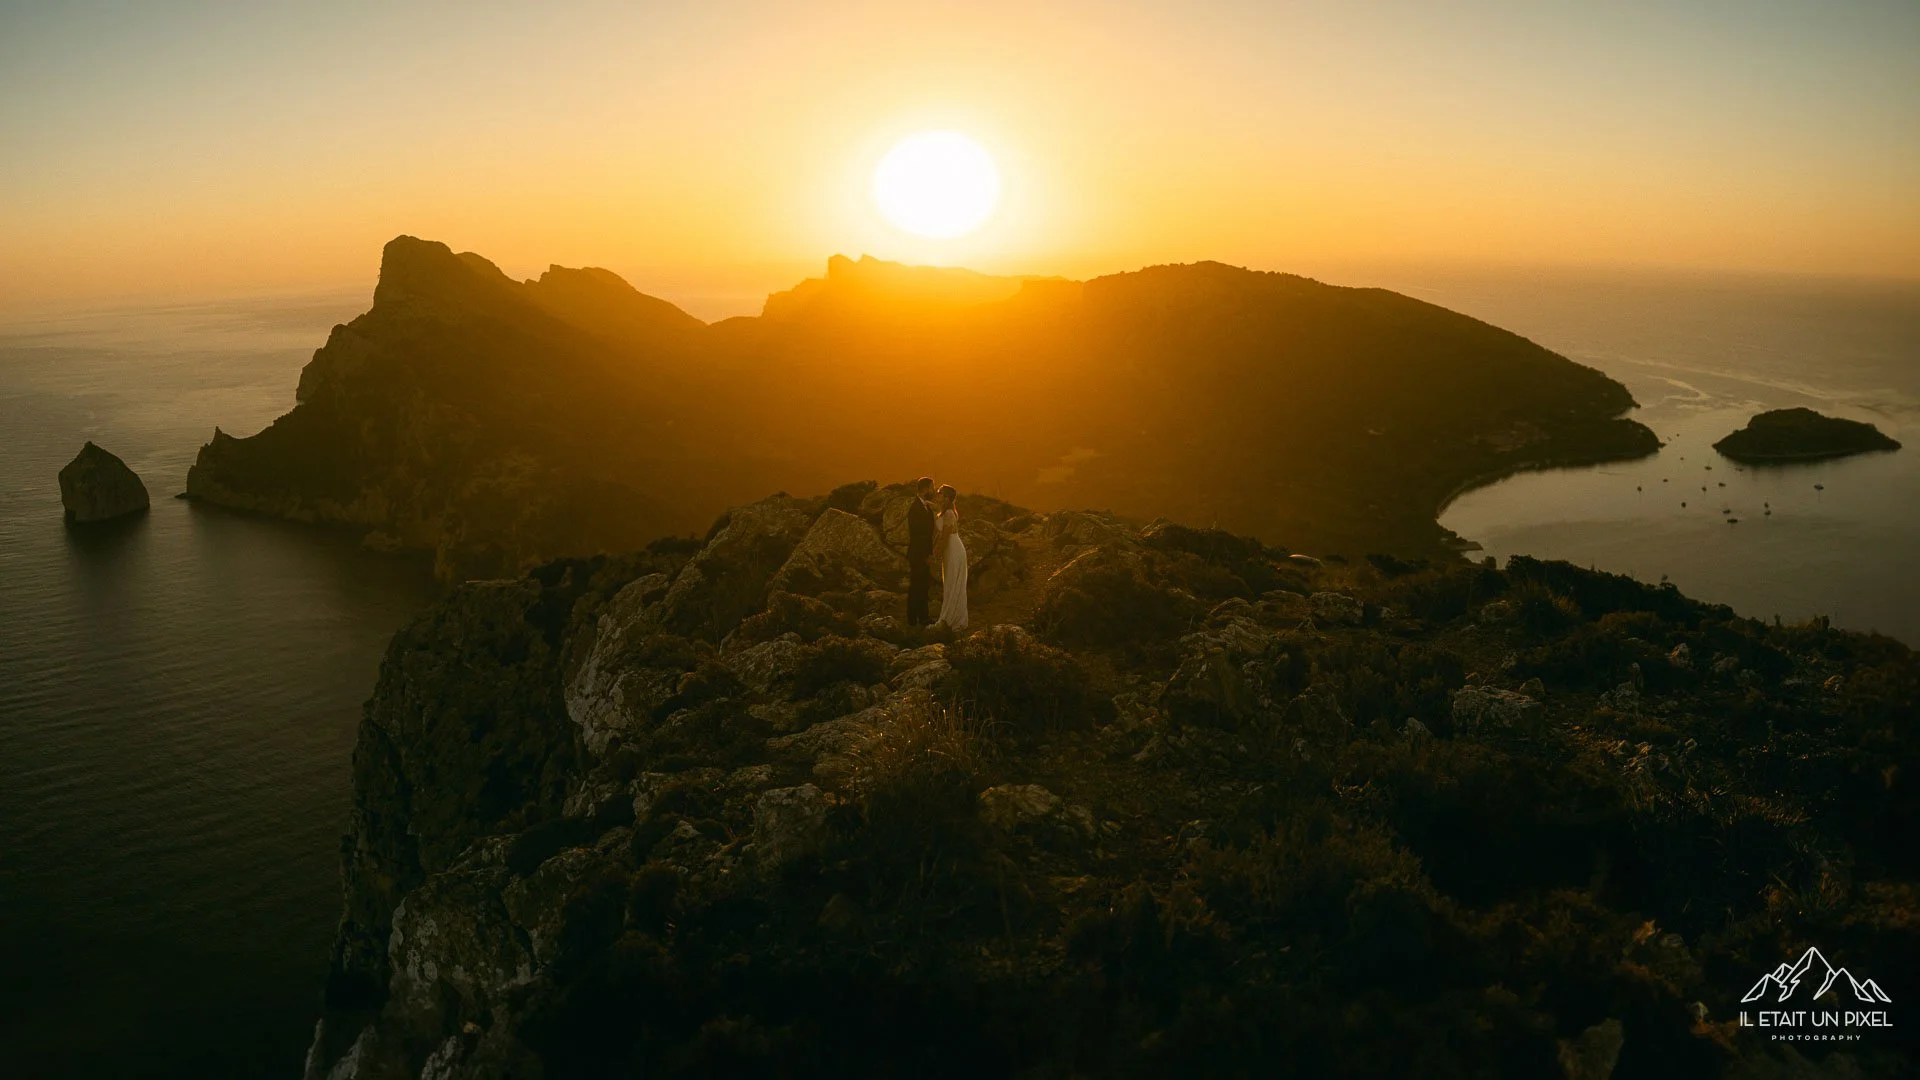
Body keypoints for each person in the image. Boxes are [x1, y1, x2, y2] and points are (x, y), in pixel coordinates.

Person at [931, 484, 968, 631]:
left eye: (940, 493)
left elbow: (945, 537)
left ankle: (950, 618)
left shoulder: (948, 514)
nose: (937, 494)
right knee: (951, 583)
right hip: (952, 548)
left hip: (953, 549)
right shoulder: (947, 511)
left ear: (946, 497)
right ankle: (952, 616)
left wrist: (935, 554)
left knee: (952, 583)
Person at [905, 476, 936, 626]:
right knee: (916, 586)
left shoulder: (927, 507)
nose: (933, 490)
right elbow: (917, 535)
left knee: (924, 586)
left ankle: (924, 617)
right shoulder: (915, 508)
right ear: (924, 489)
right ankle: (912, 619)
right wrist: (925, 556)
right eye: (931, 487)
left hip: (924, 554)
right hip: (918, 554)